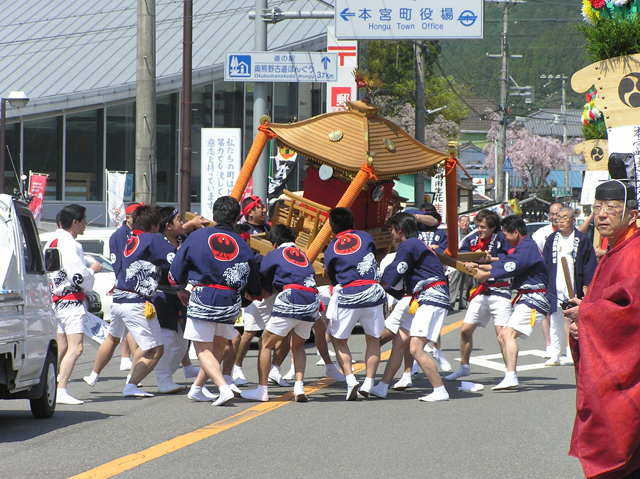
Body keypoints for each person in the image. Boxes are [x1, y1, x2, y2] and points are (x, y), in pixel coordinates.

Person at [564, 180, 640, 479]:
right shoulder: (617, 249)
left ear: (633, 215)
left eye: (611, 209)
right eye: (597, 208)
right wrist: (584, 319)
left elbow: (631, 312)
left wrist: (586, 315)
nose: (601, 215)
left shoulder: (634, 253)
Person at [169, 196, 262, 406]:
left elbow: (177, 267)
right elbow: (253, 279)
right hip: (230, 299)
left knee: (202, 348)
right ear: (237, 218)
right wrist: (253, 294)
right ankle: (197, 388)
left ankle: (222, 387)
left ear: (213, 215)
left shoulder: (199, 235)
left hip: (204, 295)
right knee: (219, 343)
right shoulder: (243, 243)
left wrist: (179, 288)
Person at [370, 213, 450, 402]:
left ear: (400, 230)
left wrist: (376, 285)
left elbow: (397, 269)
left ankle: (440, 389)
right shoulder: (416, 244)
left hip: (431, 296)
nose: (390, 233)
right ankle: (382, 386)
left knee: (415, 348)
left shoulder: (409, 244)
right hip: (420, 298)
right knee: (399, 342)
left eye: (392, 229)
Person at [241, 225, 320, 402]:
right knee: (298, 345)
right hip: (312, 299)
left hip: (291, 296)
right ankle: (299, 387)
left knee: (265, 343)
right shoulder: (303, 256)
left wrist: (251, 294)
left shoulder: (274, 254)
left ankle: (262, 390)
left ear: (275, 243)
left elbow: (264, 286)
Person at [473, 215, 549, 390]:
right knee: (503, 335)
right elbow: (506, 262)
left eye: (506, 235)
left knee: (506, 334)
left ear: (516, 232)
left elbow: (511, 266)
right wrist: (479, 267)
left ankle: (511, 376)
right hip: (529, 297)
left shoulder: (527, 247)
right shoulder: (524, 246)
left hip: (534, 298)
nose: (505, 239)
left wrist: (485, 274)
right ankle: (510, 374)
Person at [112, 205, 177, 397]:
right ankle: (131, 384)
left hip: (121, 298)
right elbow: (174, 259)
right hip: (138, 302)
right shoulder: (153, 238)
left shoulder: (131, 238)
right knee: (155, 350)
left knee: (141, 345)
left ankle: (99, 375)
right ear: (155, 225)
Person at [324, 207, 386, 400]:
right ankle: (369, 382)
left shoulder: (331, 247)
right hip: (372, 293)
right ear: (352, 221)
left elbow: (333, 278)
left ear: (332, 227)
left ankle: (351, 379)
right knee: (373, 339)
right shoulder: (366, 237)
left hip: (348, 294)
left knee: (339, 340)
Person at [45, 204, 102, 405]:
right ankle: (61, 389)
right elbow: (78, 276)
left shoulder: (51, 241)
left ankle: (52, 384)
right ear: (75, 222)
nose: (86, 224)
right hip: (70, 302)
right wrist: (93, 270)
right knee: (76, 348)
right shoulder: (71, 244)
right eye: (84, 220)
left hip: (55, 300)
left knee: (61, 346)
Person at [445, 209, 511, 381]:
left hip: (500, 289)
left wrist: (488, 260)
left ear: (493, 227)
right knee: (465, 330)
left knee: (502, 334)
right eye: (478, 226)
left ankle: (510, 373)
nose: (479, 230)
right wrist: (467, 260)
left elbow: (509, 259)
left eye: (483, 227)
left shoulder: (501, 237)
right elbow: (461, 252)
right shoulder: (473, 237)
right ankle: (464, 367)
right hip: (480, 290)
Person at [84, 202, 142, 388]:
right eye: (137, 216)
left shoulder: (132, 234)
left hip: (121, 292)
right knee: (133, 335)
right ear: (129, 218)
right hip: (130, 291)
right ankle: (131, 378)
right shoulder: (122, 235)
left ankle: (95, 375)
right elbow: (126, 264)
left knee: (114, 336)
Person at [541, 206, 596, 367]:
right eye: (559, 218)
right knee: (555, 319)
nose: (561, 221)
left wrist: (587, 284)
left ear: (573, 219)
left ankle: (572, 352)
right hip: (555, 285)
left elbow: (589, 265)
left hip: (574, 285)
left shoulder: (581, 239)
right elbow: (545, 263)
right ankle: (554, 353)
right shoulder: (552, 239)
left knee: (573, 320)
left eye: (565, 218)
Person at [532, 202, 562, 359]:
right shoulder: (541, 233)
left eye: (557, 214)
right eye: (552, 214)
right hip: (546, 277)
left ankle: (569, 347)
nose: (554, 217)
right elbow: (534, 253)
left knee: (567, 313)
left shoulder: (571, 233)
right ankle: (549, 346)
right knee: (547, 312)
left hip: (565, 277)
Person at [448, 214, 473, 310]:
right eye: (463, 221)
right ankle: (451, 302)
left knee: (466, 283)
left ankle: (463, 303)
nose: (465, 223)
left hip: (468, 260)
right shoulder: (455, 233)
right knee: (454, 281)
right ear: (459, 222)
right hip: (456, 260)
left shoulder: (471, 233)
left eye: (467, 221)